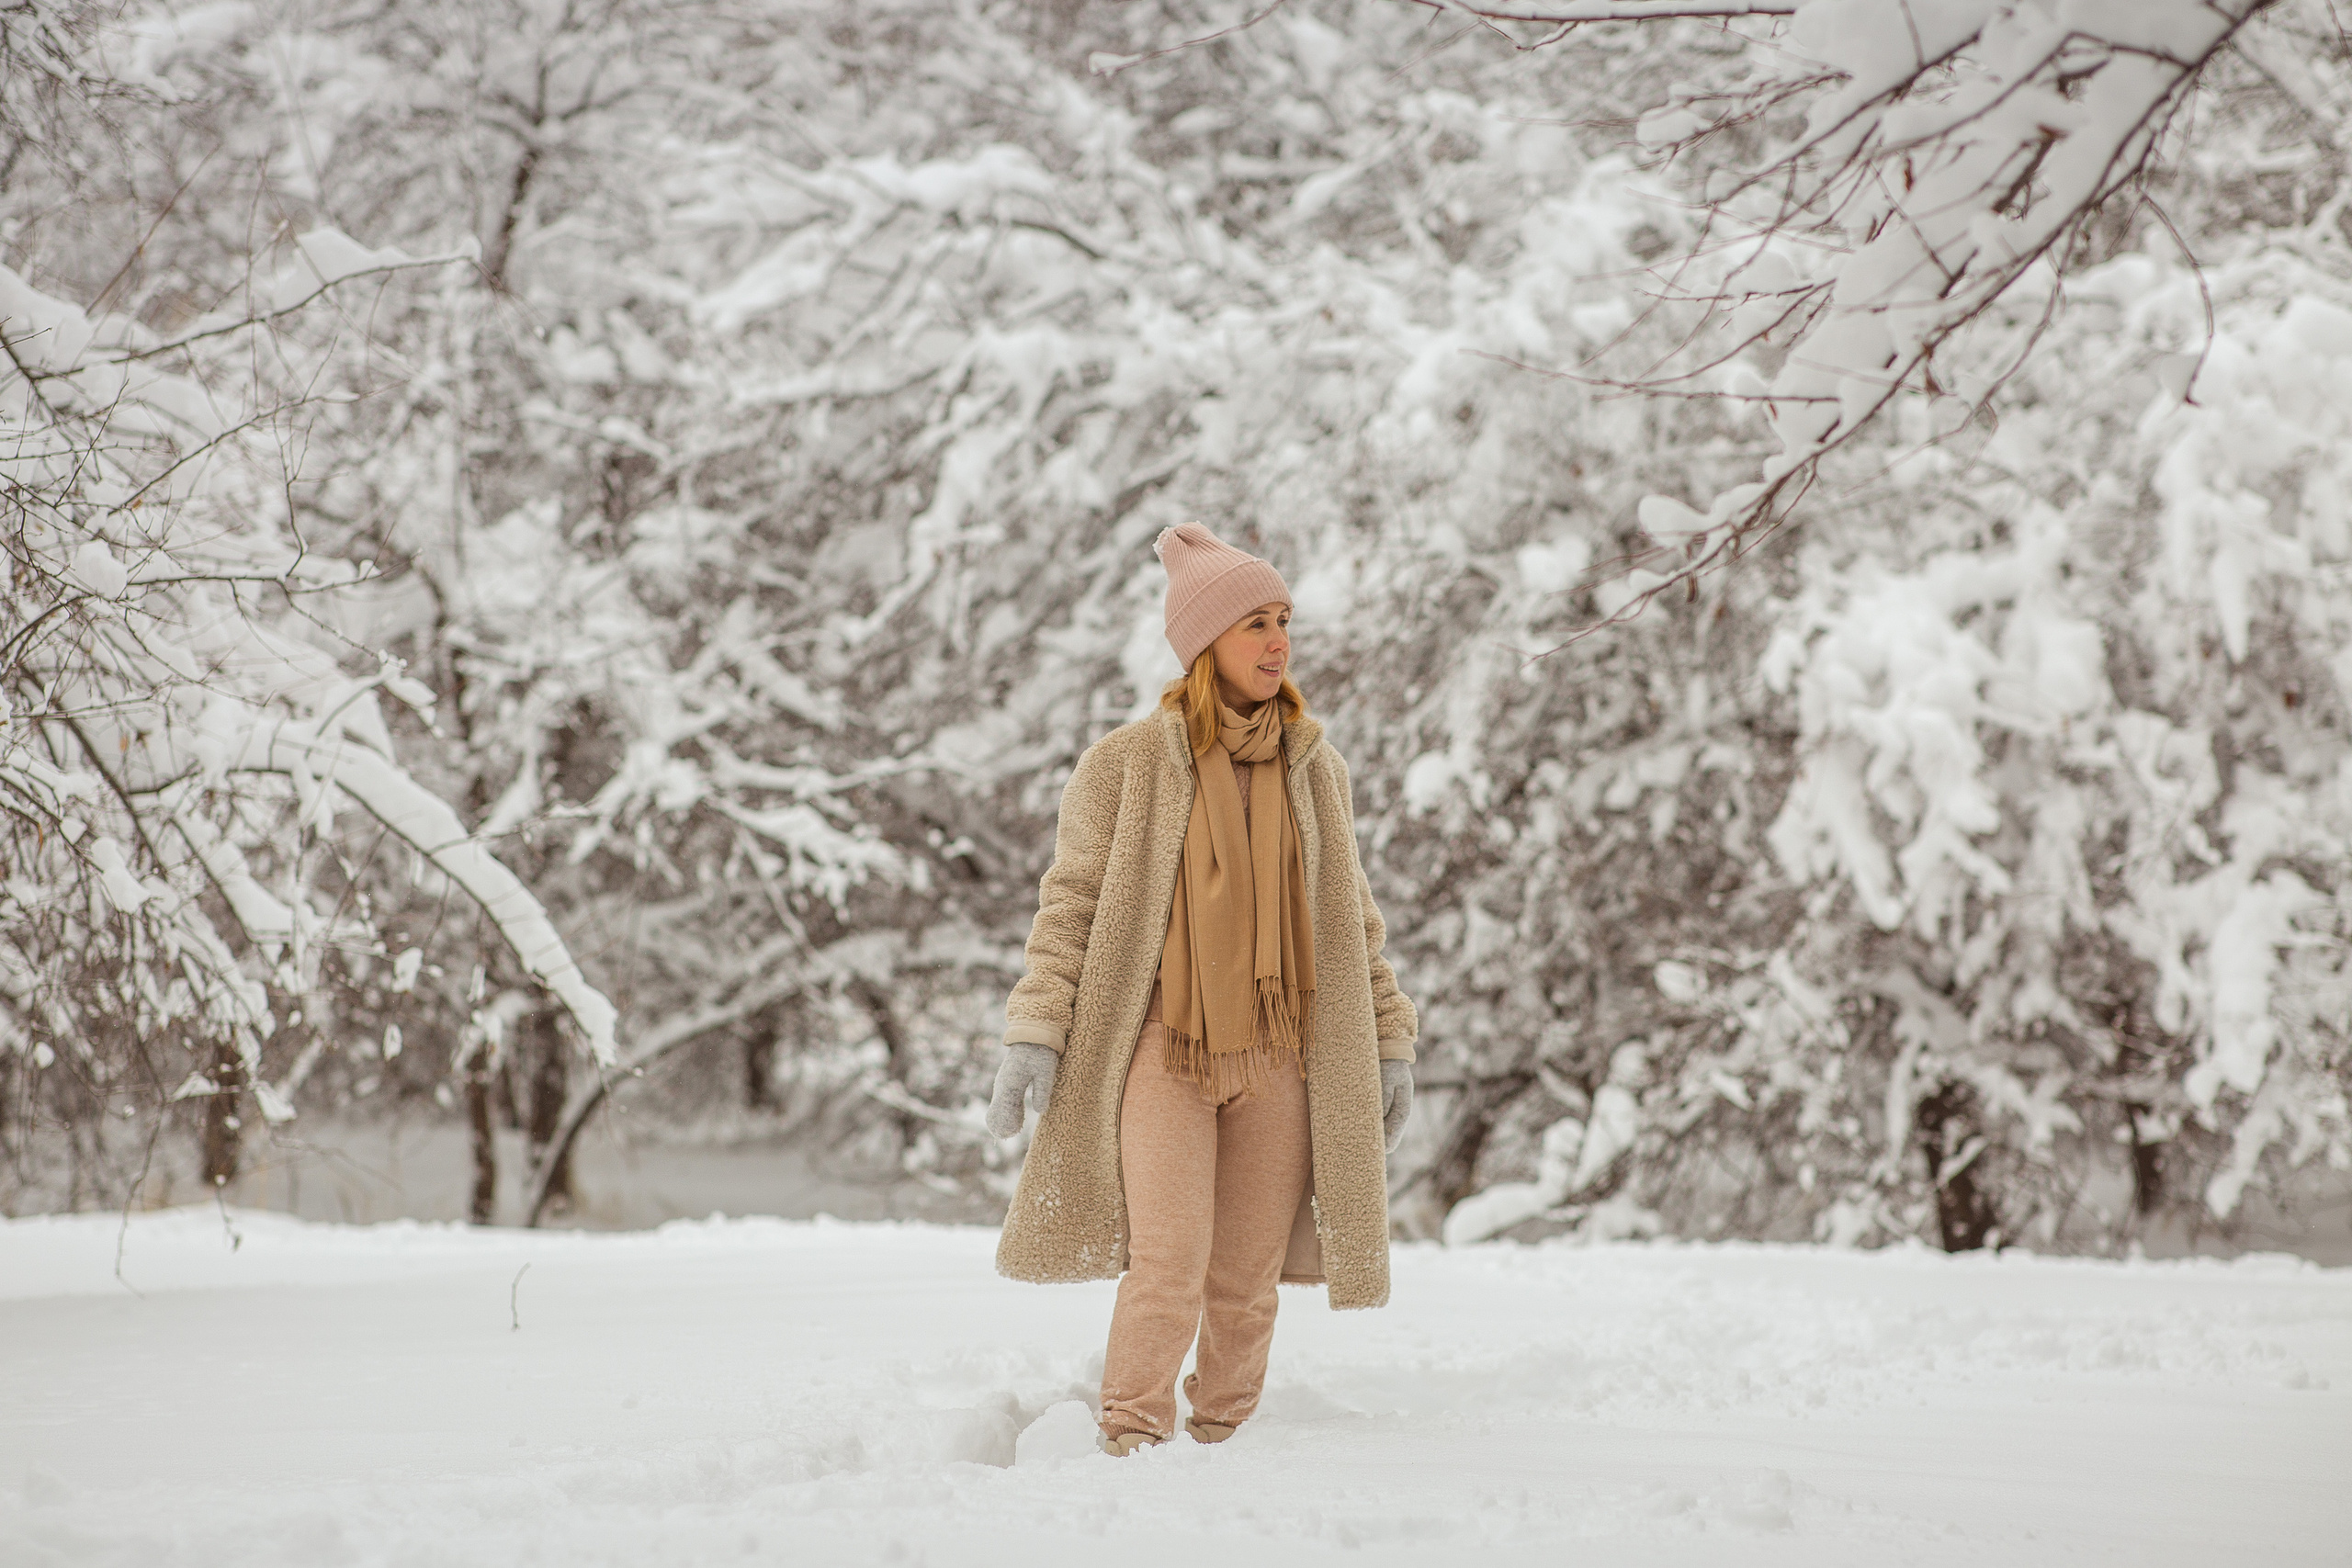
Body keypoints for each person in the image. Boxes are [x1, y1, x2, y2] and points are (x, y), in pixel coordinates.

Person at [984, 520, 1419, 1456]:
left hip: (1279, 1051)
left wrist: (1387, 1039)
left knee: (1246, 1275)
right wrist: (1035, 1030)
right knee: (1170, 1263)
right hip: (1161, 1046)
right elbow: (1071, 907)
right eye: (1254, 623)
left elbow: (1351, 918)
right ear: (1202, 642)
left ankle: (1226, 1442)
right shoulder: (1125, 766)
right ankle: (1129, 1439)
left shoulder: (1314, 767)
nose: (1277, 642)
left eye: (1283, 621)